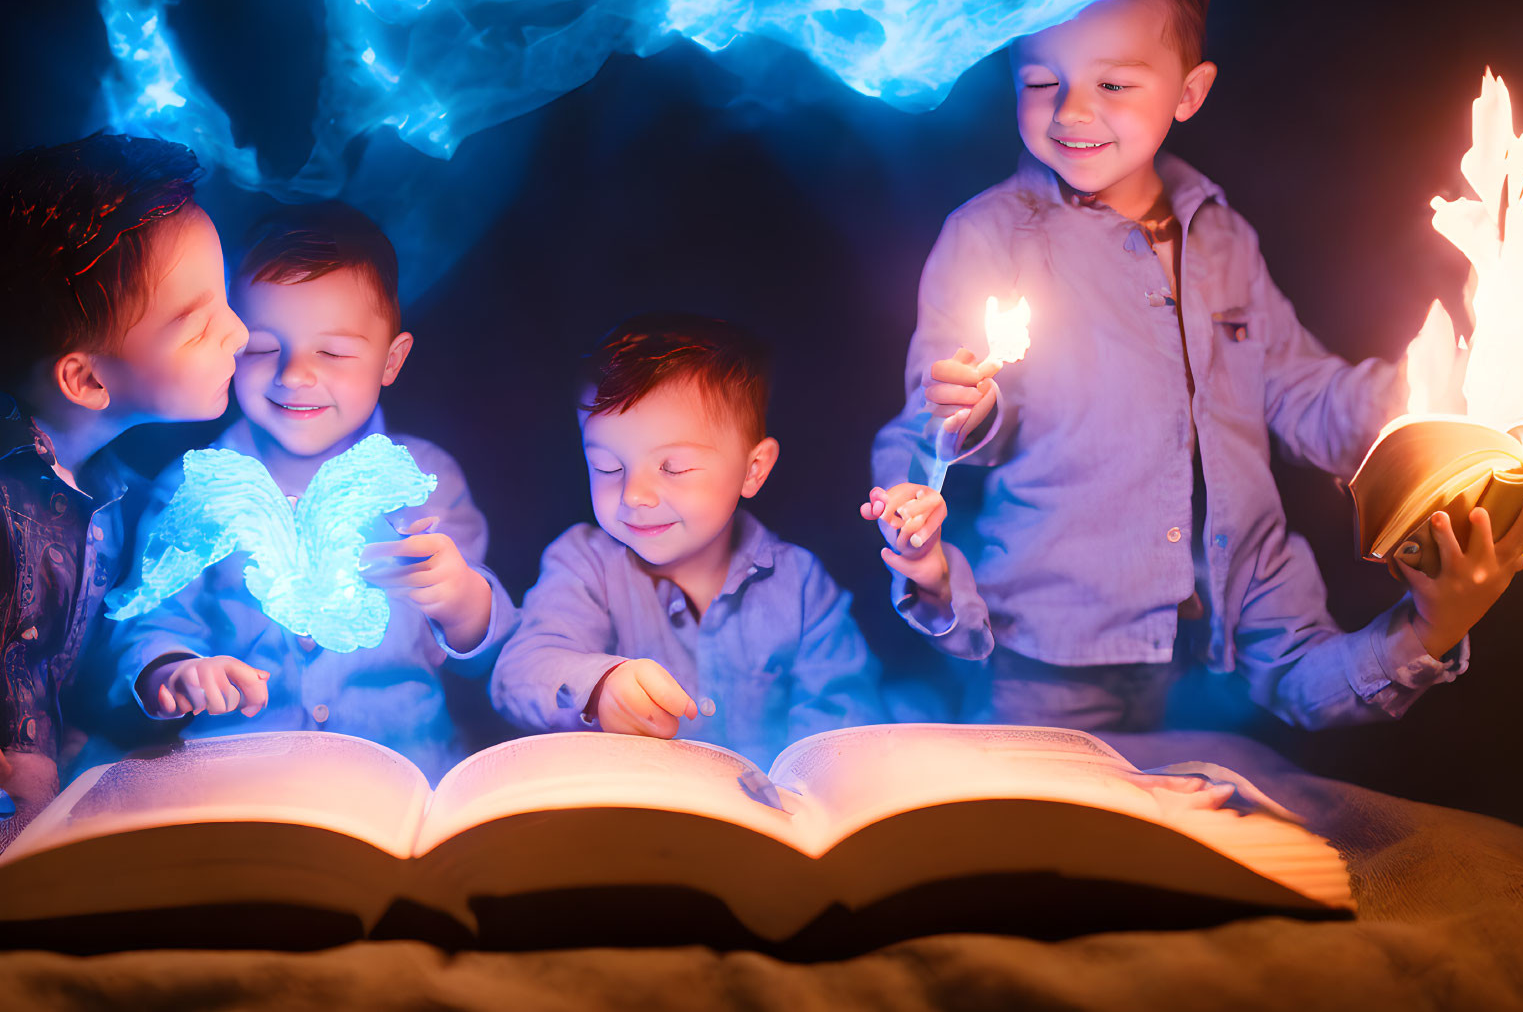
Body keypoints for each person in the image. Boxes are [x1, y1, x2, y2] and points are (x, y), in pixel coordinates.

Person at [866, 0, 1523, 731]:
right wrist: (965, 418)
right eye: (1040, 80)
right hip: (1048, 653)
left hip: (1233, 627)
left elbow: (1299, 394)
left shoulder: (1222, 237)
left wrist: (1438, 394)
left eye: (1113, 83)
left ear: (1187, 93)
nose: (1071, 109)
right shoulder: (986, 235)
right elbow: (932, 430)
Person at [101, 202, 514, 782]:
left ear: (390, 360)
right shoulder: (197, 486)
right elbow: (150, 622)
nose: (294, 375)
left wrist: (463, 600)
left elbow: (490, 658)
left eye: (334, 352)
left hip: (404, 773)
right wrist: (175, 671)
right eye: (264, 348)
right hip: (240, 782)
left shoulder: (423, 480)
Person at [493, 313, 883, 767]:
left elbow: (846, 723)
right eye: (607, 467)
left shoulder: (799, 585)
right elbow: (518, 673)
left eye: (672, 468)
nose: (634, 495)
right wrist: (600, 686)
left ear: (753, 469)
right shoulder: (585, 565)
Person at [0, 134, 247, 841]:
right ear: (86, 378)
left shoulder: (120, 492)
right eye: (198, 326)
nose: (238, 333)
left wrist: (162, 679)